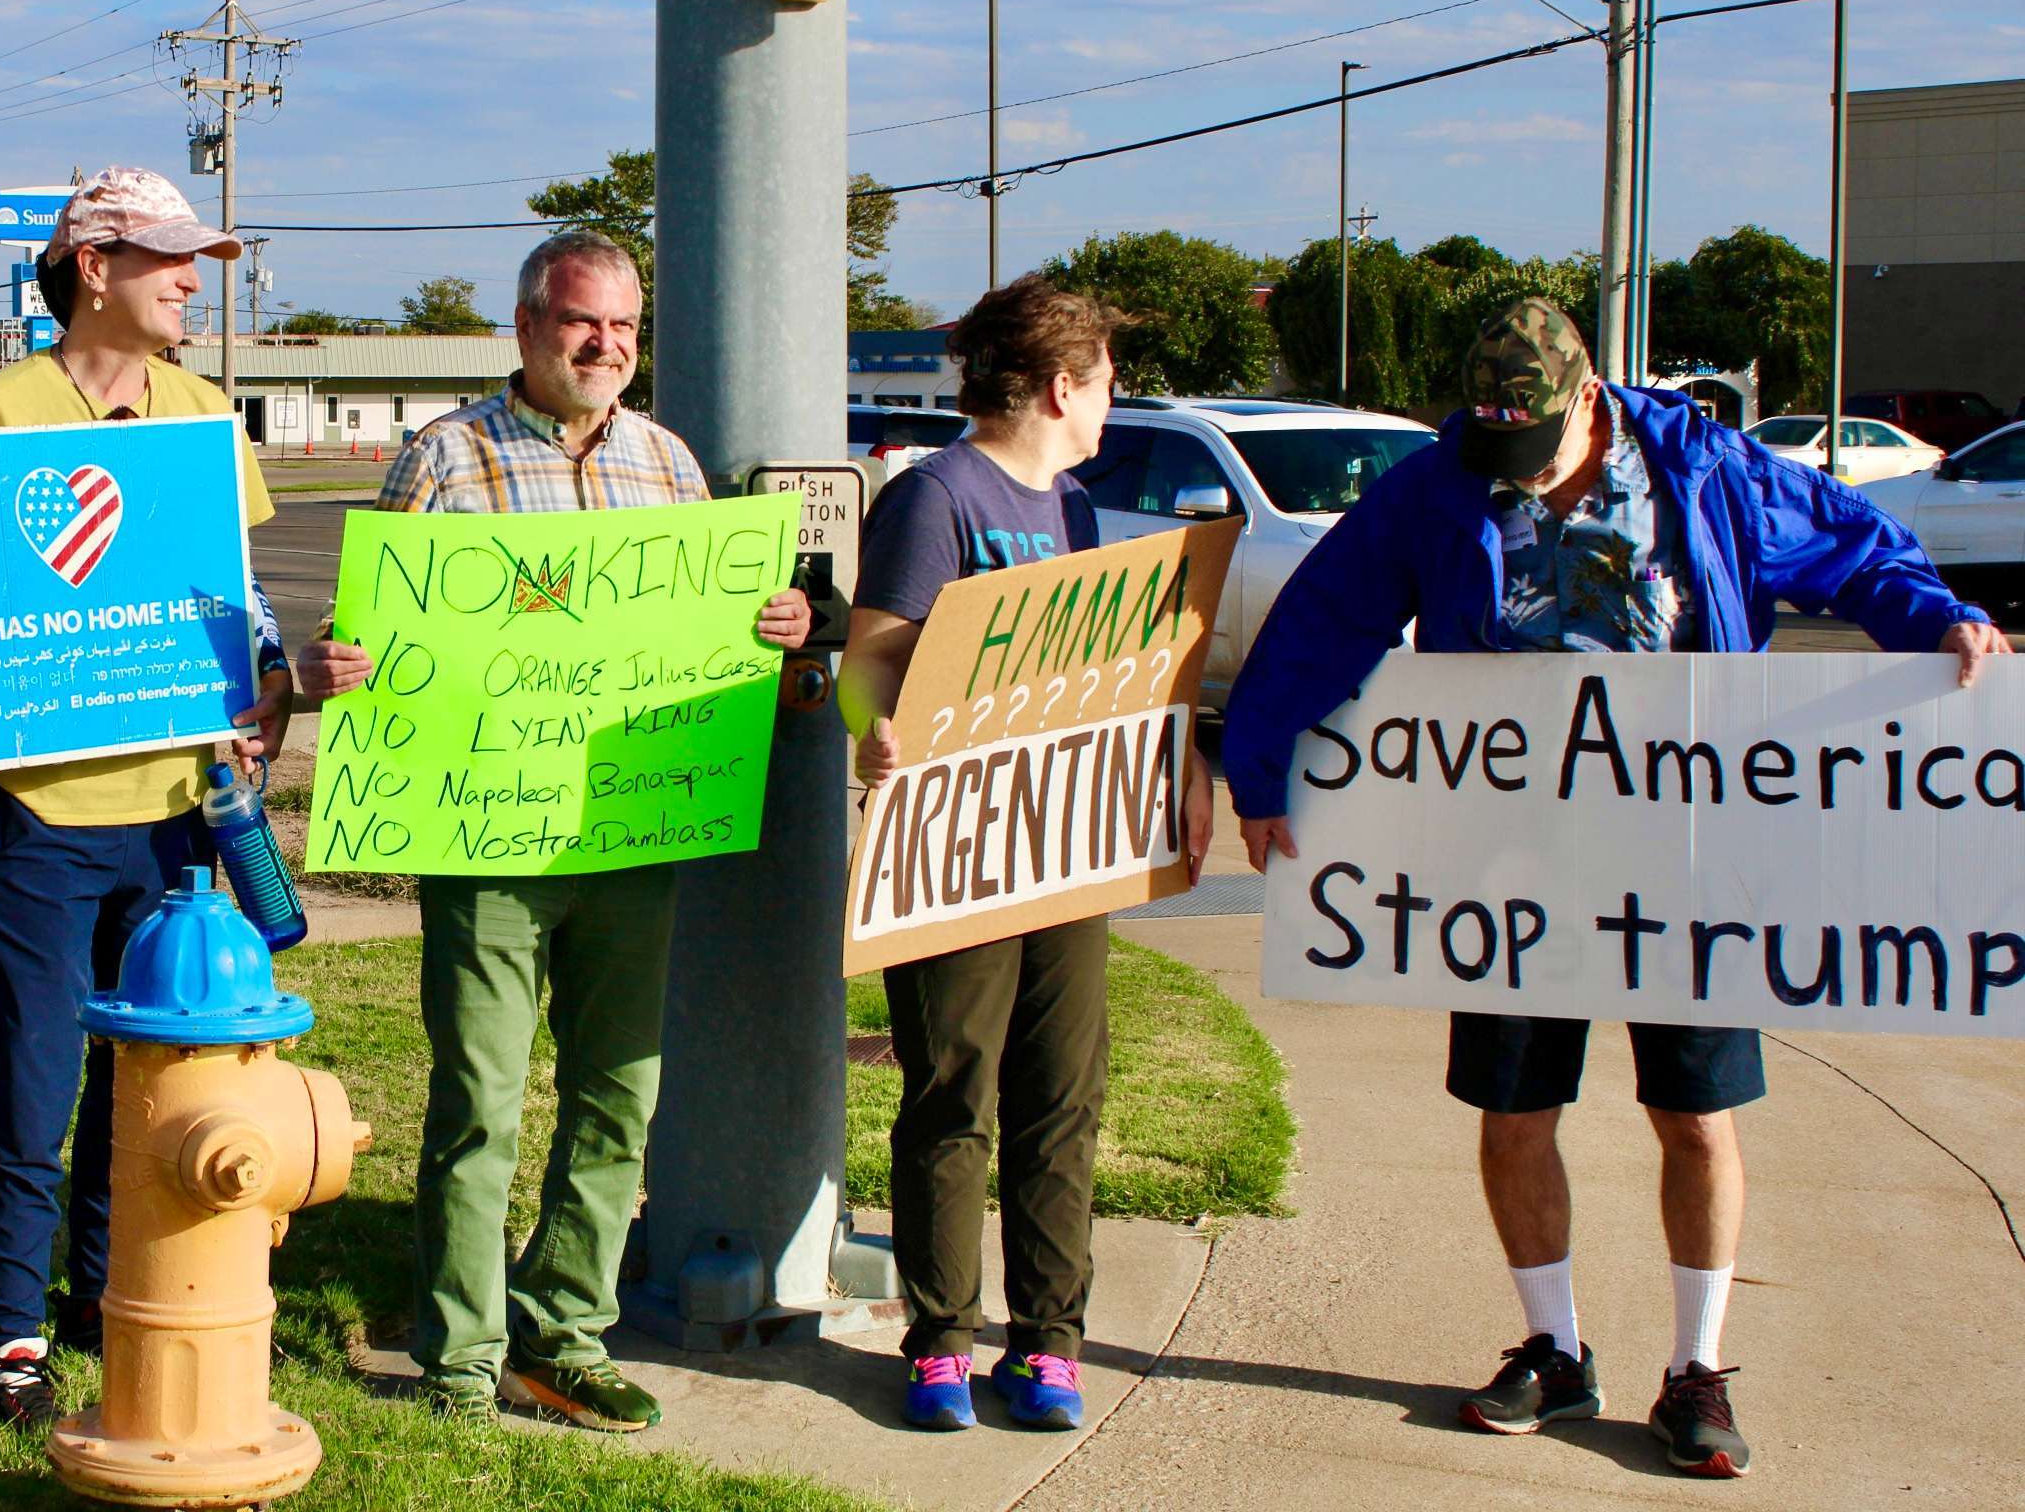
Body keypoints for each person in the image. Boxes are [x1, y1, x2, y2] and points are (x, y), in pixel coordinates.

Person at [1222, 298, 2010, 1480]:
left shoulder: (1702, 467)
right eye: (1493, 448)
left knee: (1694, 1111)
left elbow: (1849, 544)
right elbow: (1326, 616)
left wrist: (1941, 618)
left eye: (1531, 447)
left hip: (1687, 847)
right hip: (1508, 852)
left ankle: (1696, 1367)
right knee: (1515, 1106)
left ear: (1586, 400)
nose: (1515, 475)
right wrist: (1261, 762)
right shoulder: (1442, 481)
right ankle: (1552, 1346)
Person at [294, 229, 811, 1431]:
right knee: (481, 1097)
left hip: (628, 836)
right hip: (486, 841)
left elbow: (719, 647)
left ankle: (566, 1326)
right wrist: (338, 664)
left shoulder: (671, 466)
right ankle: (462, 1351)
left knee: (619, 1092)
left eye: (626, 326)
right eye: (584, 322)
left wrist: (777, 629)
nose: (606, 345)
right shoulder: (445, 456)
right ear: (527, 327)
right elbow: (379, 636)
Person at [0, 165, 294, 1426]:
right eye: (167, 260)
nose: (190, 280)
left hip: (172, 809)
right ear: (92, 269)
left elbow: (236, 587)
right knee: (37, 1081)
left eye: (196, 259)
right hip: (38, 812)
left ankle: (107, 1292)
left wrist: (265, 677)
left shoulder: (204, 410)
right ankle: (8, 1341)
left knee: (142, 1076)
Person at [838, 275, 1214, 1434]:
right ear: (1061, 383)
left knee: (1064, 1096)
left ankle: (1048, 1340)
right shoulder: (936, 496)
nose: (1114, 399)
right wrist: (874, 731)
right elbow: (868, 663)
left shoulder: (1078, 512)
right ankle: (942, 1338)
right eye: (1106, 378)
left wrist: (1174, 772)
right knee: (954, 1092)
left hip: (1066, 846)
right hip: (954, 847)